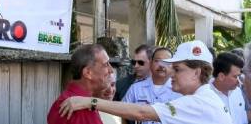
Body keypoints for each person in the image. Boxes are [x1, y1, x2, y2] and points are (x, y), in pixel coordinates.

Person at [59, 40, 233, 124]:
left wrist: (90, 101)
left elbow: (141, 112)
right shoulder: (205, 99)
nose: (171, 73)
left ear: (197, 73)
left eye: (178, 69)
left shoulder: (198, 103)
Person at [47, 44, 113, 124]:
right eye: (106, 64)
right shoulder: (79, 109)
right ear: (88, 73)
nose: (111, 70)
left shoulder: (76, 101)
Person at [122, 47, 182, 124]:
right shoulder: (136, 89)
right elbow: (123, 113)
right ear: (150, 63)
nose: (161, 65)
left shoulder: (179, 91)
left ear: (173, 66)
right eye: (157, 61)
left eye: (167, 62)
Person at [210, 52, 248, 124]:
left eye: (239, 76)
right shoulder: (204, 95)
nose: (239, 82)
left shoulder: (237, 91)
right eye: (235, 77)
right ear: (221, 76)